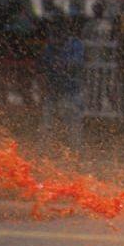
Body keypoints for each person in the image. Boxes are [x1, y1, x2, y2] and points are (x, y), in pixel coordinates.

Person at [38, 15, 85, 153]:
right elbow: (42, 67)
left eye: (60, 30)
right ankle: (44, 152)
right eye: (55, 30)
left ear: (66, 30)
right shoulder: (49, 47)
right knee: (47, 125)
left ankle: (75, 152)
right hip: (53, 91)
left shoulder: (75, 45)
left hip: (71, 91)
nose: (57, 33)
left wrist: (63, 64)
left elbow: (76, 64)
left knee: (73, 125)